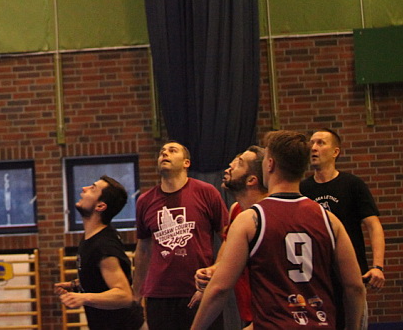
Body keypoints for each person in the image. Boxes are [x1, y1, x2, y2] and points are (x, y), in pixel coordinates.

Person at [190, 131, 365, 330]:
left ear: (270, 164)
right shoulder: (329, 220)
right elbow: (355, 287)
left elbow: (220, 288)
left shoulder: (251, 219)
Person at [132, 141, 228, 330]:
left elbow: (228, 237)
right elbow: (143, 249)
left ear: (186, 163)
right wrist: (136, 294)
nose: (164, 154)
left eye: (172, 150)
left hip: (198, 291)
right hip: (159, 295)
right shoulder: (145, 201)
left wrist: (215, 269)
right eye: (162, 152)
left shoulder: (206, 192)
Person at [301, 128, 385, 328]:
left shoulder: (352, 185)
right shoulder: (303, 189)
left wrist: (377, 266)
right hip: (316, 278)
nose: (313, 148)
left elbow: (374, 226)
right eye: (311, 143)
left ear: (335, 152)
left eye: (321, 143)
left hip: (350, 275)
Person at [55, 175, 146, 329]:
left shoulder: (104, 246)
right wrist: (77, 284)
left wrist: (84, 298)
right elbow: (102, 278)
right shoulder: (92, 238)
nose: (84, 189)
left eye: (92, 188)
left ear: (100, 206)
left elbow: (124, 296)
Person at [192, 146, 268, 327]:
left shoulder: (268, 214)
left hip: (270, 313)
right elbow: (227, 259)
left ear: (252, 180)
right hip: (249, 311)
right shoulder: (236, 210)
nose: (229, 168)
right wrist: (212, 271)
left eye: (238, 164)